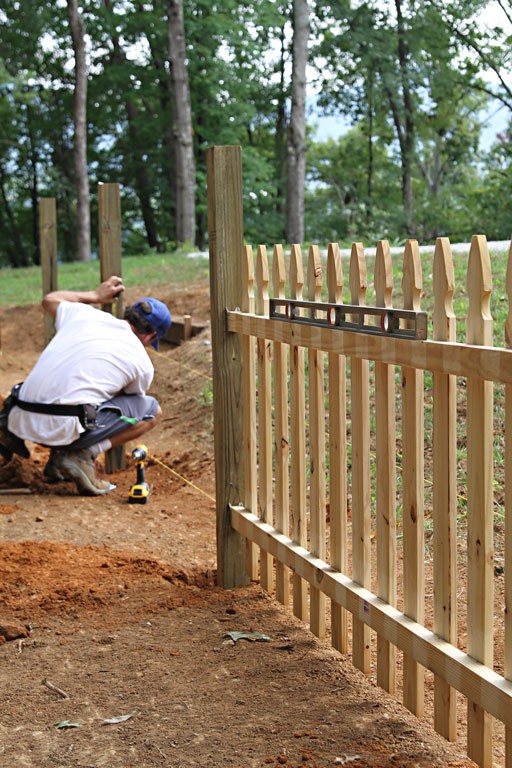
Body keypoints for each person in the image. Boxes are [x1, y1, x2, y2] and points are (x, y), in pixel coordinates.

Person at [0, 276, 171, 496]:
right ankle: (81, 454)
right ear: (153, 335)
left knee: (72, 389)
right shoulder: (142, 363)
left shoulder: (83, 314)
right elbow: (129, 407)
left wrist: (94, 296)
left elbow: (50, 300)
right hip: (62, 427)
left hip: (19, 416)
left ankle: (14, 434)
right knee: (150, 411)